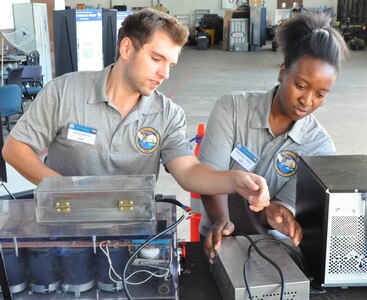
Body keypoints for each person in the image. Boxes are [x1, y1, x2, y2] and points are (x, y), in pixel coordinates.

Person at [2, 8, 270, 211]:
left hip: (130, 223)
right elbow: (15, 149)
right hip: (65, 217)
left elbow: (188, 171)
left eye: (171, 65)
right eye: (156, 59)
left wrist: (234, 180)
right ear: (127, 48)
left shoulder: (168, 114)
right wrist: (69, 192)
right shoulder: (65, 92)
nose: (164, 73)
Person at [199, 12, 349, 263]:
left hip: (273, 255)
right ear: (282, 73)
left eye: (321, 94)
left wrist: (276, 213)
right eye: (300, 85)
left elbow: (279, 209)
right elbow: (208, 177)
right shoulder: (232, 109)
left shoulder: (319, 146)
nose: (307, 101)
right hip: (216, 245)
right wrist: (222, 223)